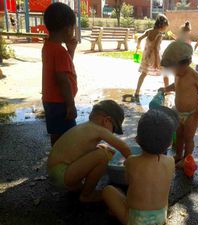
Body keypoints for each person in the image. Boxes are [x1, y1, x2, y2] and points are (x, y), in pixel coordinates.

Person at [102, 107, 177, 225]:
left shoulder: (131, 161)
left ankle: (118, 212)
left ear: (137, 140)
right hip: (160, 217)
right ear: (170, 143)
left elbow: (127, 180)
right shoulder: (171, 161)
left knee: (108, 190)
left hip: (135, 220)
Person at [47, 100, 132, 203]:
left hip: (57, 172)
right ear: (106, 121)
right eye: (113, 129)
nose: (112, 133)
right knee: (102, 156)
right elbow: (124, 147)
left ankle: (76, 187)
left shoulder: (86, 127)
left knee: (100, 150)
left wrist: (99, 147)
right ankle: (87, 195)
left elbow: (79, 150)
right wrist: (134, 164)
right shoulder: (99, 130)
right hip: (63, 173)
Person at [159, 41, 198, 165]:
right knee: (179, 136)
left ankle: (187, 159)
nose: (174, 71)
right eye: (172, 68)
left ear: (187, 63)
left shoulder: (195, 76)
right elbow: (176, 86)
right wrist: (166, 89)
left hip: (192, 114)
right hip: (178, 112)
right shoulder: (177, 74)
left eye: (175, 68)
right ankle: (179, 155)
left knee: (188, 138)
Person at [42, 3, 78, 146]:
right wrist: (71, 104)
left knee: (56, 133)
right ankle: (63, 162)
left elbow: (63, 69)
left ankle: (55, 159)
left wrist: (71, 50)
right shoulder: (60, 51)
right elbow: (63, 80)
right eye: (73, 27)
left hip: (50, 101)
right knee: (69, 136)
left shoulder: (48, 47)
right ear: (67, 29)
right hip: (61, 103)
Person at [134, 14, 169, 97]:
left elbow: (139, 38)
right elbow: (156, 50)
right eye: (166, 27)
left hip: (146, 56)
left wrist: (138, 46)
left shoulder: (149, 31)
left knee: (143, 73)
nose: (165, 29)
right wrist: (157, 62)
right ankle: (167, 90)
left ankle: (137, 91)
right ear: (162, 25)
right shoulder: (159, 35)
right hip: (154, 57)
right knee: (165, 72)